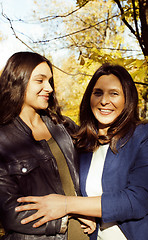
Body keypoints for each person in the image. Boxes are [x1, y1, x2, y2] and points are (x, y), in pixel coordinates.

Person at [15, 63, 148, 240]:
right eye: (98, 93)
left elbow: (138, 200)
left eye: (114, 93)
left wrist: (67, 205)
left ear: (128, 99)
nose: (104, 101)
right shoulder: (81, 142)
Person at [0, 51, 95, 240]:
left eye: (50, 81)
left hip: (87, 234)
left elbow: (102, 150)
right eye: (40, 80)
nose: (49, 88)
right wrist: (67, 215)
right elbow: (9, 211)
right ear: (18, 81)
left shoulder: (64, 125)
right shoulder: (2, 139)